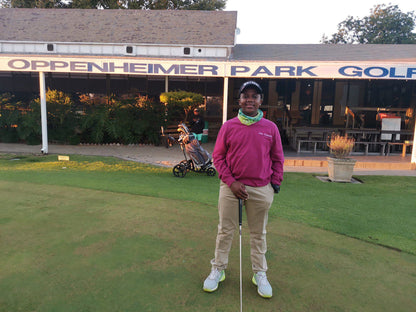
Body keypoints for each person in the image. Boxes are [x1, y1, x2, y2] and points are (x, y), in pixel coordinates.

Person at [203, 81, 284, 298]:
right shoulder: (228, 126)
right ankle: (218, 269)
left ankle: (260, 273)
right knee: (225, 230)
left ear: (260, 101)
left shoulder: (270, 128)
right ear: (239, 100)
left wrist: (274, 183)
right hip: (231, 187)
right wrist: (231, 182)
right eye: (245, 95)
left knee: (259, 234)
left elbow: (278, 159)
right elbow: (218, 158)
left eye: (254, 96)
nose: (250, 99)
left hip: (260, 188)